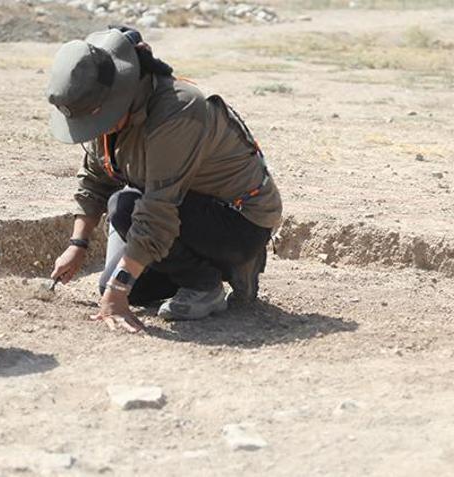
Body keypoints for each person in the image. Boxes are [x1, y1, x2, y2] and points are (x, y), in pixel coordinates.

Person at [47, 27, 282, 332]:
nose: (94, 127)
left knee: (124, 210)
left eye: (94, 118)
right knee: (131, 287)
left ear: (119, 94)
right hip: (181, 209)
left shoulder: (177, 110)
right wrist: (77, 244)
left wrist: (118, 293)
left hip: (239, 220)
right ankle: (209, 271)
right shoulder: (106, 114)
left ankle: (209, 280)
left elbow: (157, 211)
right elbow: (95, 178)